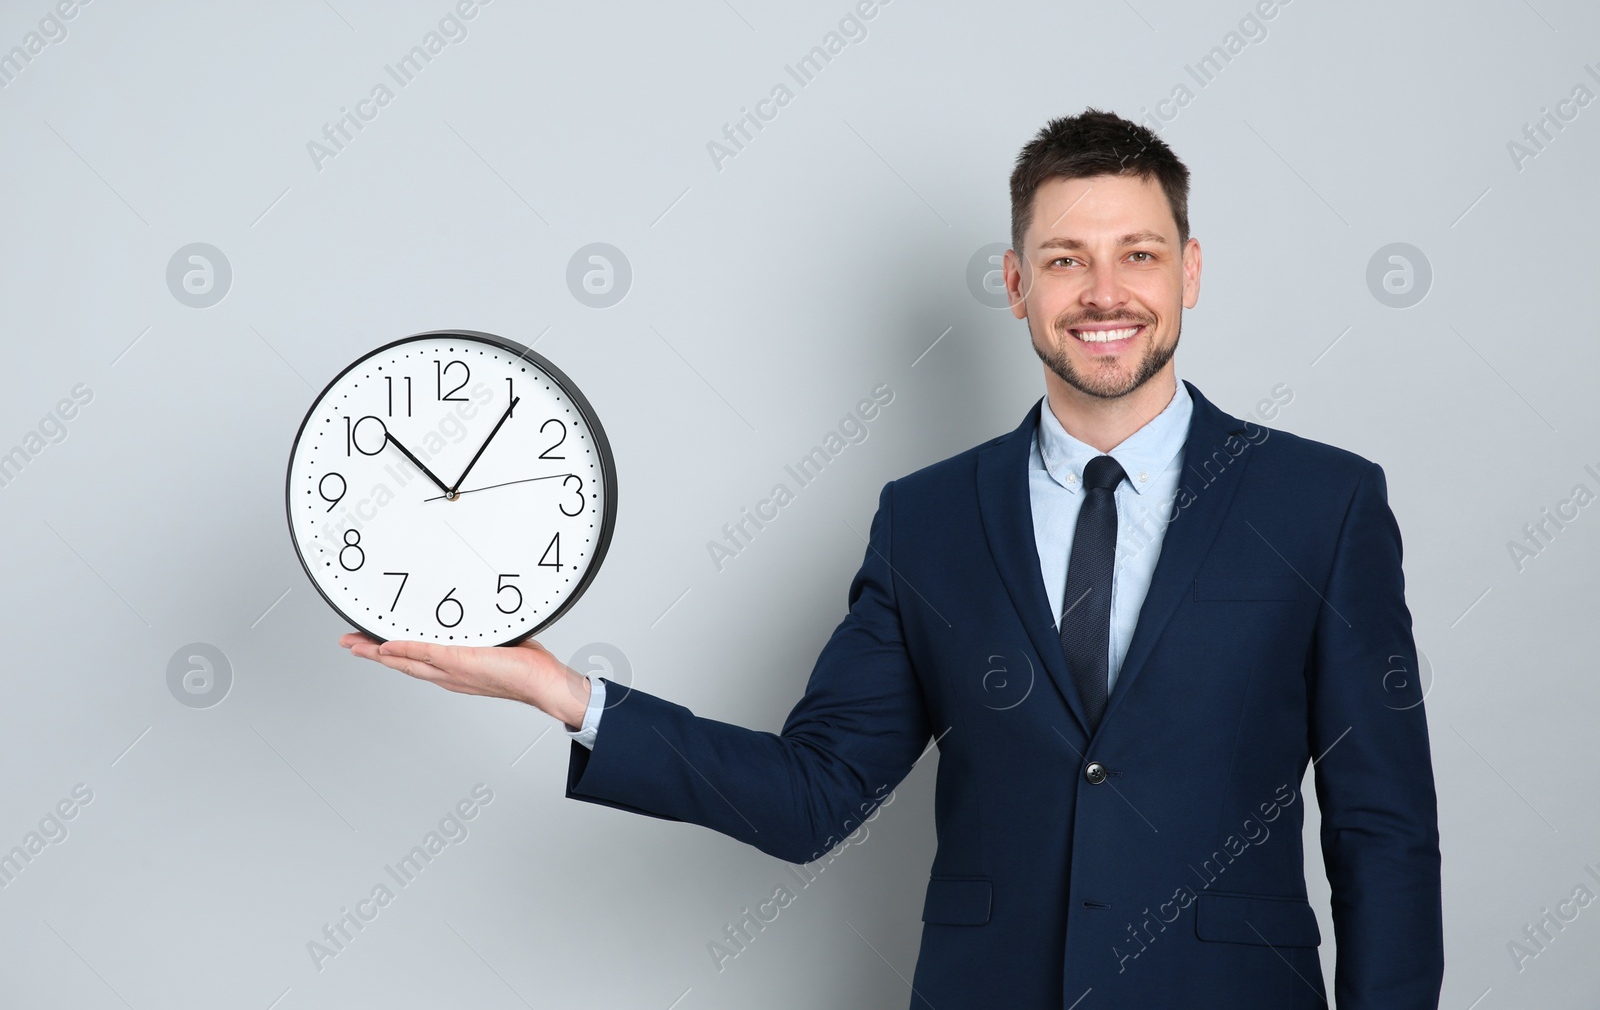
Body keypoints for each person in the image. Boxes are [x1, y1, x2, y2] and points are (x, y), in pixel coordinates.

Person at [340, 108, 1444, 1008]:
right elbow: (810, 794)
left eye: (1137, 255)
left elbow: (1380, 826)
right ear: (1016, 283)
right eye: (1065, 259)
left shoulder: (1320, 502)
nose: (1103, 292)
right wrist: (564, 691)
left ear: (1188, 270)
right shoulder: (927, 518)